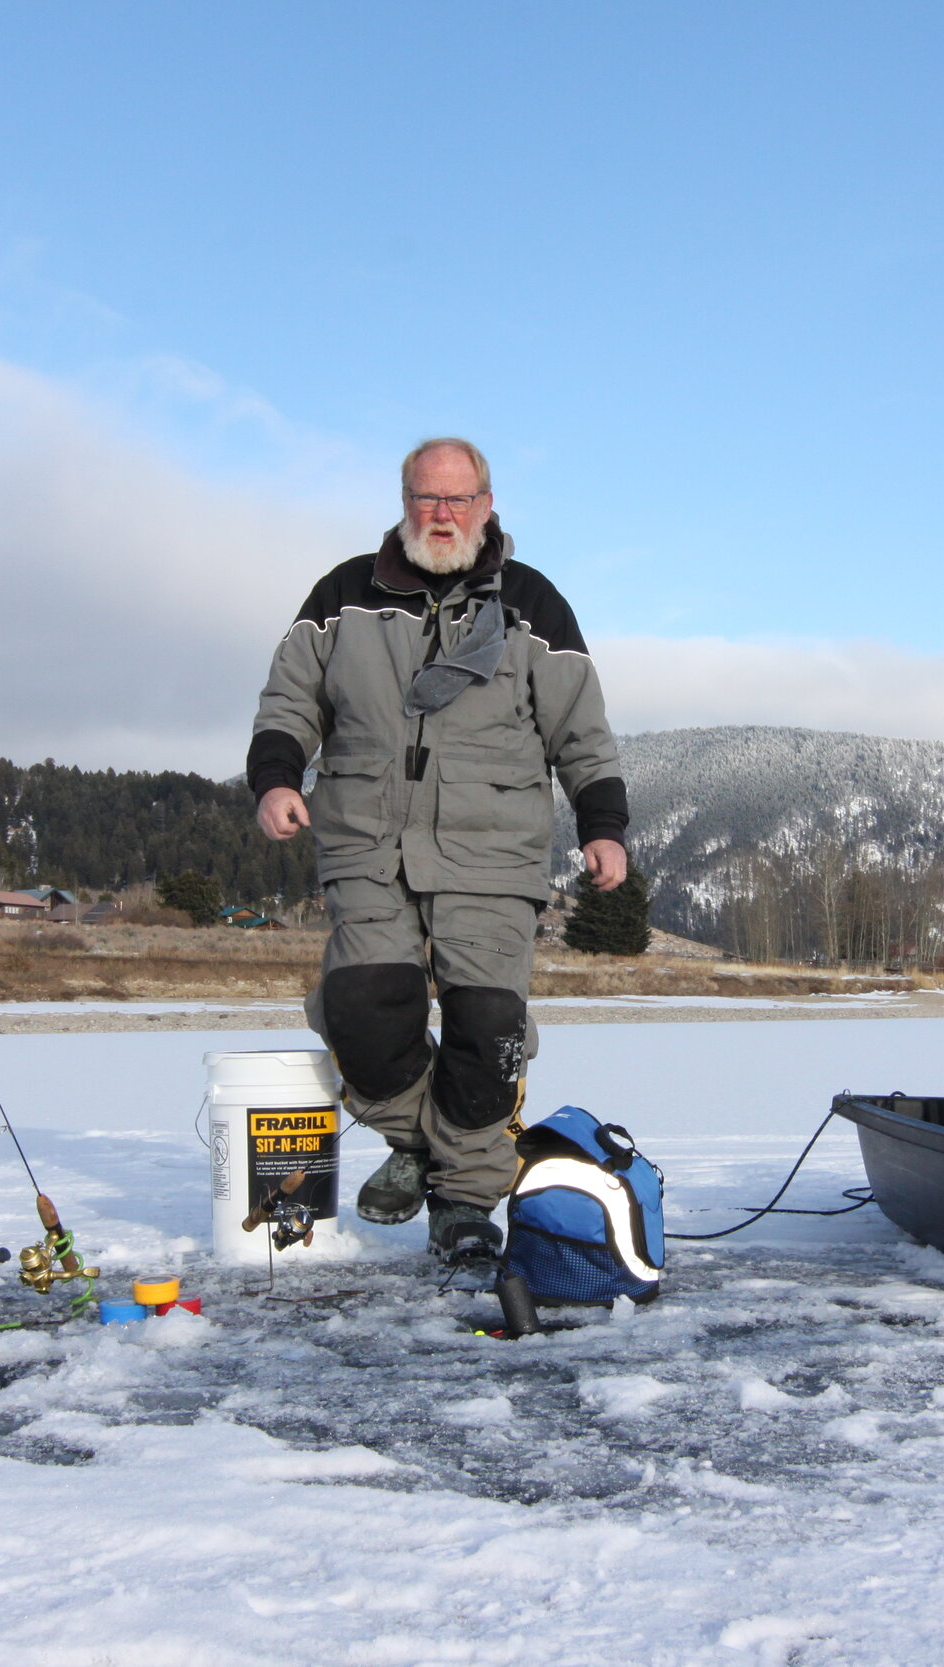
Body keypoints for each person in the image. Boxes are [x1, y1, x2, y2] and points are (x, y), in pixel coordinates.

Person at [248, 438, 630, 1267]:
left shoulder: (533, 605)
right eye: (427, 498)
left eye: (459, 500)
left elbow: (581, 731)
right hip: (364, 840)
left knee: (486, 1029)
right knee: (362, 1010)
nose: (442, 515)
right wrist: (277, 777)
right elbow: (289, 697)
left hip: (491, 850)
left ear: (488, 505)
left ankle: (462, 1199)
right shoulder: (343, 594)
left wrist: (603, 824)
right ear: (404, 500)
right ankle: (425, 1146)